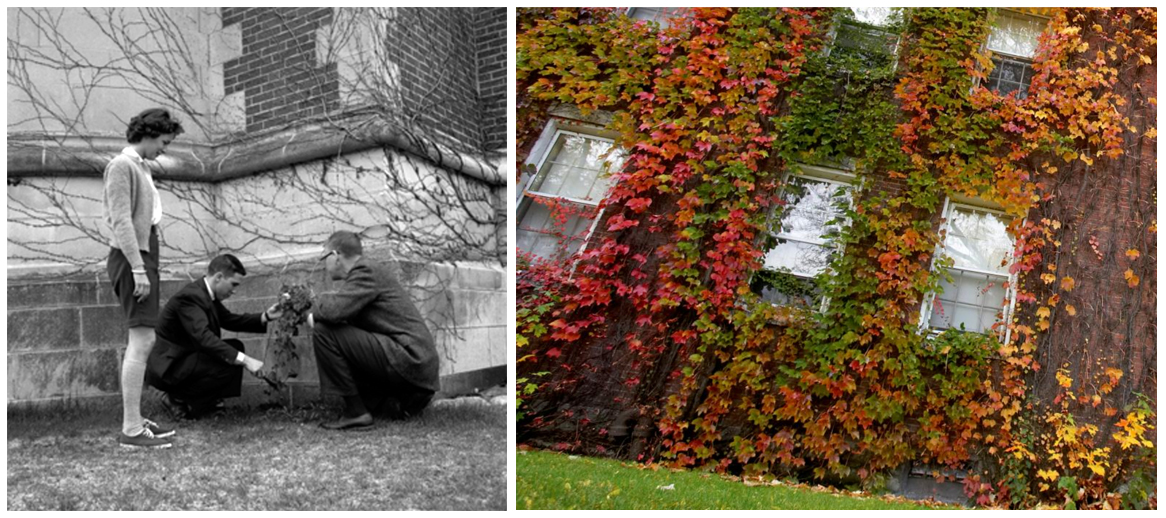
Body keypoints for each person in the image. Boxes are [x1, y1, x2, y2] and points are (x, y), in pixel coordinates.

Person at [103, 108, 183, 448]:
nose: (164, 148)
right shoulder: (121, 166)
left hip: (144, 253)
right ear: (149, 134)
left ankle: (134, 421)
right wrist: (137, 267)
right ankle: (131, 430)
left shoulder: (140, 166)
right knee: (142, 340)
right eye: (163, 141)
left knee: (144, 339)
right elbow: (120, 220)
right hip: (131, 257)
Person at [307, 231, 440, 430]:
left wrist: (311, 312)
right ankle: (386, 403)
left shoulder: (365, 271)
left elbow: (333, 311)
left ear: (336, 255)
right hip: (412, 367)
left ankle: (356, 412)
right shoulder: (367, 272)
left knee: (324, 331)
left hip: (410, 360)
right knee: (343, 332)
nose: (324, 265)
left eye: (324, 257)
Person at [146, 254, 282, 419]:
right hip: (170, 367)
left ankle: (202, 403)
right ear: (219, 277)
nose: (234, 291)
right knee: (230, 359)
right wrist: (246, 360)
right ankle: (177, 398)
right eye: (233, 284)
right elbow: (204, 338)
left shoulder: (205, 295)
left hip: (185, 360)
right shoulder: (191, 297)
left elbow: (231, 320)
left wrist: (266, 316)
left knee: (235, 349)